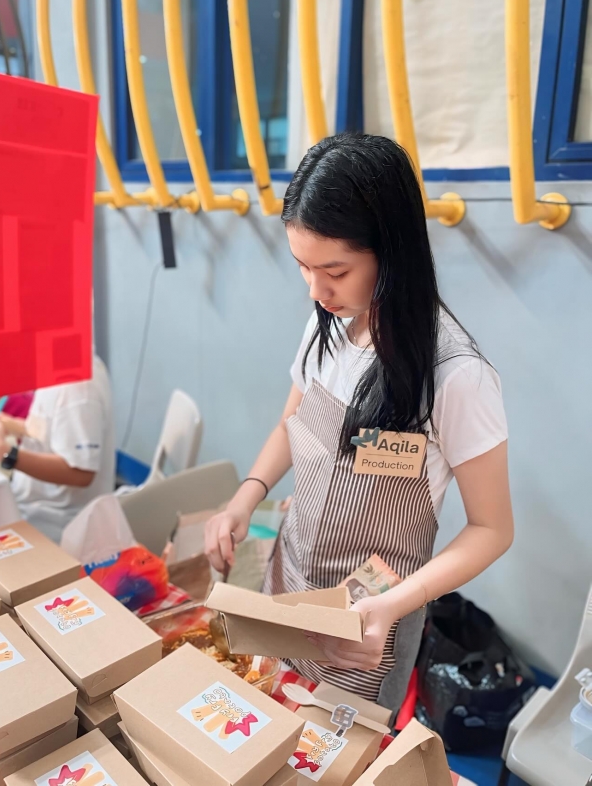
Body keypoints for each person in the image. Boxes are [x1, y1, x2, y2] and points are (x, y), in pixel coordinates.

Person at [205, 134, 513, 715]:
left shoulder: (455, 376)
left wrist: (397, 603)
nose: (318, 292)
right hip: (292, 580)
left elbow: (492, 530)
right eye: (303, 268)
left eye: (336, 270)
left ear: (391, 253)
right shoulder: (329, 326)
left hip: (371, 616)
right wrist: (246, 497)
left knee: (337, 755)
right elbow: (290, 423)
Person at [0, 356, 115, 543]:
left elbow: (81, 473)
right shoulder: (54, 366)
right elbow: (56, 430)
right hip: (34, 506)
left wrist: (4, 453)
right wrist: (17, 426)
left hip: (55, 525)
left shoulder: (76, 387)